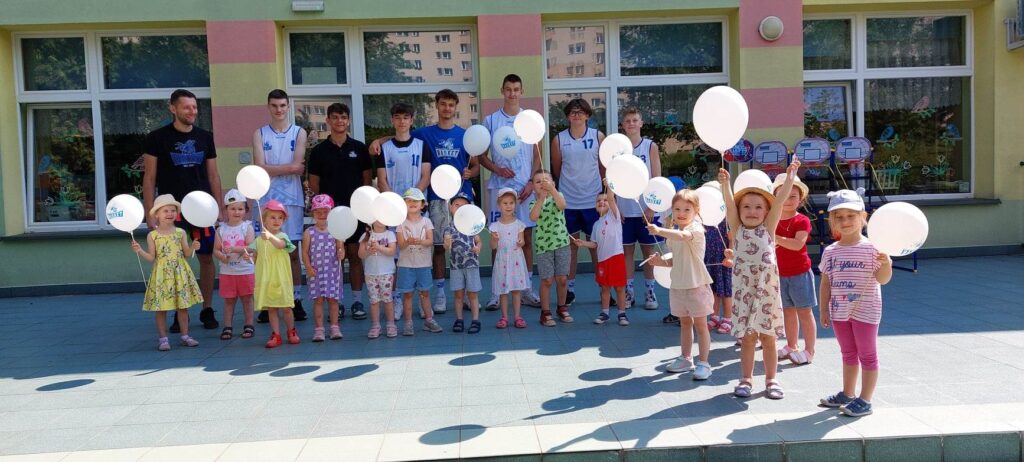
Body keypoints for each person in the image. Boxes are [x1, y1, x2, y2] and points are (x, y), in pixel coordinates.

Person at [370, 90, 479, 314]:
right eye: (443, 104)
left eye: (451, 104)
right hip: (436, 198)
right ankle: (439, 295)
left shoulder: (465, 135)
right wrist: (378, 141)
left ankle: (468, 295)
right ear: (437, 106)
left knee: (466, 246)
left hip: (462, 197)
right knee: (438, 248)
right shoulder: (424, 134)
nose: (447, 108)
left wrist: (472, 172)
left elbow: (476, 165)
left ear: (456, 107)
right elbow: (400, 135)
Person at [719, 159, 801, 399]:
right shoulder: (737, 228)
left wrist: (789, 178)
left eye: (758, 207)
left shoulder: (769, 229)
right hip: (744, 294)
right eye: (746, 207)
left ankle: (771, 380)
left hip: (767, 294)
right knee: (747, 339)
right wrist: (725, 185)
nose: (752, 211)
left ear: (766, 212)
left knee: (768, 339)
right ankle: (746, 379)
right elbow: (729, 204)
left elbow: (780, 200)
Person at [142, 89, 222, 333]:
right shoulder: (157, 138)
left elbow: (213, 175)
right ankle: (179, 311)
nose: (192, 111)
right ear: (173, 108)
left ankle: (207, 308)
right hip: (171, 210)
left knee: (206, 258)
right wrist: (149, 212)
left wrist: (219, 209)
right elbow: (149, 177)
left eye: (195, 107)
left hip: (202, 209)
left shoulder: (205, 137)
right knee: (174, 260)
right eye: (186, 107)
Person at [819, 189, 893, 417]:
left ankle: (865, 400)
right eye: (839, 217)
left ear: (863, 217)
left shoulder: (874, 248)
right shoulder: (830, 252)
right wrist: (823, 309)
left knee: (867, 355)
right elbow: (826, 283)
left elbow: (883, 279)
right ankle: (847, 393)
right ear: (832, 221)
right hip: (840, 312)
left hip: (866, 311)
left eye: (850, 215)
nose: (845, 221)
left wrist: (886, 264)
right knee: (848, 353)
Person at [480, 74, 543, 310]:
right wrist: (496, 168)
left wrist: (531, 182)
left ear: (522, 91)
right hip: (500, 187)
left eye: (516, 89)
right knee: (498, 239)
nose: (512, 93)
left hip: (524, 188)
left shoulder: (530, 120)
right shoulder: (491, 121)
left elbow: (537, 155)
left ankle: (526, 288)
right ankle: (497, 292)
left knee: (525, 239)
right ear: (502, 91)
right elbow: (480, 155)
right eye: (508, 89)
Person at [308, 103, 373, 322]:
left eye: (343, 117)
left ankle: (356, 301)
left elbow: (366, 180)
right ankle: (338, 303)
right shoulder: (318, 151)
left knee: (354, 256)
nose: (339, 121)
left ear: (348, 120)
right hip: (330, 215)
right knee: (334, 260)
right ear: (328, 120)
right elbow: (314, 183)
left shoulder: (359, 148)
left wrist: (363, 208)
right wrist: (325, 209)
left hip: (355, 212)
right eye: (335, 117)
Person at [253, 89, 308, 323]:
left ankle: (295, 299)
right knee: (266, 252)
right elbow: (259, 167)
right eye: (274, 105)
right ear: (268, 106)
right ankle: (268, 302)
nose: (279, 109)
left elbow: (299, 167)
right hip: (266, 200)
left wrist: (271, 169)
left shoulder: (299, 132)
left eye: (283, 105)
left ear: (288, 107)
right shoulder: (259, 133)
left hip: (292, 199)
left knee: (291, 252)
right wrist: (289, 168)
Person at [647, 190, 714, 380]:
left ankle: (704, 363)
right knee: (685, 323)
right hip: (678, 286)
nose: (681, 213)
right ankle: (686, 358)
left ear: (696, 211)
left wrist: (659, 230)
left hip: (696, 285)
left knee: (701, 325)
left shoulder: (696, 229)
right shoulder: (673, 235)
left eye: (686, 209)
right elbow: (675, 261)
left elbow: (683, 236)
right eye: (677, 209)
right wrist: (659, 262)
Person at [551, 98, 605, 307]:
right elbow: (557, 169)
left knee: (596, 247)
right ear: (567, 116)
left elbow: (602, 167)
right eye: (573, 112)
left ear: (587, 115)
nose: (576, 115)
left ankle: (604, 287)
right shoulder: (559, 139)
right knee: (571, 248)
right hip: (569, 202)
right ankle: (570, 290)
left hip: (593, 201)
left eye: (580, 112)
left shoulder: (598, 136)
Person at [132, 194, 203, 351]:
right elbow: (151, 257)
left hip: (179, 272)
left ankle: (185, 336)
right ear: (157, 214)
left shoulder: (180, 232)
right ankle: (163, 339)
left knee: (182, 307)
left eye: (173, 210)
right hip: (162, 275)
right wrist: (140, 251)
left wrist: (193, 247)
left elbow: (186, 253)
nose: (170, 213)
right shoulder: (153, 235)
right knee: (161, 308)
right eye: (165, 211)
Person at [618, 108, 662, 310]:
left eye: (635, 120)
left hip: (646, 209)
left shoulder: (650, 146)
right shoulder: (619, 147)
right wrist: (615, 207)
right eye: (627, 120)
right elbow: (612, 179)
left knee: (649, 252)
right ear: (623, 125)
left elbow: (657, 178)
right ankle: (629, 292)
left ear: (641, 123)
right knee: (626, 252)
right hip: (625, 209)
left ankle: (650, 292)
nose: (631, 123)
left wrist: (652, 206)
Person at [773, 173, 817, 365]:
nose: (788, 199)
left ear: (801, 199)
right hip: (779, 274)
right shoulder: (772, 219)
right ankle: (792, 346)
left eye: (793, 196)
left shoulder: (802, 220)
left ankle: (809, 351)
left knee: (804, 312)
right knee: (788, 312)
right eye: (783, 194)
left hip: (800, 274)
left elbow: (798, 244)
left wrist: (775, 238)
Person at [250, 200, 299, 348]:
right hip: (267, 279)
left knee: (286, 307)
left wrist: (270, 237)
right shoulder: (259, 240)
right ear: (264, 220)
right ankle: (276, 334)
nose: (277, 221)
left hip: (282, 278)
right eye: (272, 217)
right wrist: (246, 255)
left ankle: (291, 331)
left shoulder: (283, 236)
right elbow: (254, 255)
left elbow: (280, 245)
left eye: (280, 218)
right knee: (272, 308)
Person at [577, 188, 629, 326]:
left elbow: (611, 198)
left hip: (616, 258)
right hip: (602, 261)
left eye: (605, 200)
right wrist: (583, 243)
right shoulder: (596, 224)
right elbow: (594, 244)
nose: (602, 202)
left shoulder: (614, 216)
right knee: (605, 288)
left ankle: (622, 314)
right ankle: (605, 313)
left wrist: (610, 186)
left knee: (619, 288)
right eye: (598, 200)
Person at [528, 171, 572, 327]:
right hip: (543, 246)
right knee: (547, 280)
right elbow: (533, 217)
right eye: (538, 181)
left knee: (562, 278)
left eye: (546, 180)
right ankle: (545, 312)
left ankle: (562, 307)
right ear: (534, 187)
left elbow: (562, 205)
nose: (542, 183)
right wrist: (541, 198)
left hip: (562, 243)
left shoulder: (558, 196)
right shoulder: (533, 203)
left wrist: (552, 191)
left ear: (553, 183)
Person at [396, 188, 441, 335]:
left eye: (416, 201)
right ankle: (408, 323)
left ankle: (429, 320)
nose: (412, 203)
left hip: (423, 265)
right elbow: (401, 245)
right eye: (409, 200)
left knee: (425, 293)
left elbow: (430, 241)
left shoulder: (427, 221)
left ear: (422, 204)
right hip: (405, 265)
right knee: (407, 295)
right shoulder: (400, 223)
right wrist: (407, 242)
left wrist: (420, 241)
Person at [213, 189, 256, 341]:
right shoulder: (221, 229)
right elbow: (216, 249)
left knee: (247, 299)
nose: (237, 212)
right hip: (227, 272)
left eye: (240, 209)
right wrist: (222, 257)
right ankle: (227, 326)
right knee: (229, 300)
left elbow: (251, 247)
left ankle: (249, 324)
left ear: (245, 210)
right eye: (233, 208)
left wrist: (234, 249)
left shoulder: (247, 227)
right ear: (226, 210)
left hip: (245, 270)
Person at [302, 194, 345, 342]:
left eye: (325, 211)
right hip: (316, 272)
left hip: (332, 272)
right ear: (313, 213)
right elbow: (305, 252)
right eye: (318, 212)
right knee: (318, 300)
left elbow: (340, 249)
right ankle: (319, 329)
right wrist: (308, 267)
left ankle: (334, 327)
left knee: (333, 300)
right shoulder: (309, 232)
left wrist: (341, 253)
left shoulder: (336, 230)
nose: (322, 215)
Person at [443, 193, 483, 334]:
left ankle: (475, 320)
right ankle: (459, 319)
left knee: (472, 294)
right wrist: (447, 242)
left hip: (472, 265)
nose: (460, 208)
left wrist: (478, 248)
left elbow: (479, 241)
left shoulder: (472, 225)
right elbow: (446, 247)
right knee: (458, 294)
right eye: (456, 205)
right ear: (451, 207)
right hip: (456, 266)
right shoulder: (448, 228)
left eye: (463, 206)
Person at [490, 188, 530, 329]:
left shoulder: (519, 224)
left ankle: (517, 317)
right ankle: (504, 317)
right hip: (502, 261)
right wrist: (495, 239)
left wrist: (520, 242)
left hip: (515, 261)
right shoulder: (495, 226)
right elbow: (493, 247)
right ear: (499, 205)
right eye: (505, 203)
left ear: (515, 204)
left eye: (511, 203)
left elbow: (522, 241)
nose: (508, 206)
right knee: (503, 290)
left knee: (516, 289)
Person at [358, 221, 398, 339]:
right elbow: (360, 254)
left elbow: (392, 251)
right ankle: (375, 325)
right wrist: (368, 252)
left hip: (386, 273)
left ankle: (391, 324)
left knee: (387, 299)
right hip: (371, 273)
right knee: (374, 301)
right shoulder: (366, 236)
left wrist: (379, 247)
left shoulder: (390, 234)